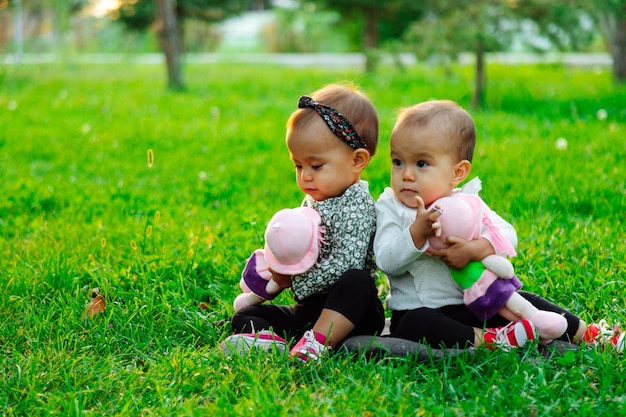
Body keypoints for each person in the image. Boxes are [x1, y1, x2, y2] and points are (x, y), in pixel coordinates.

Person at [374, 99, 622, 351]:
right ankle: (493, 340)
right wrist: (416, 233)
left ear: (457, 173)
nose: (406, 174)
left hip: (473, 302)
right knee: (414, 324)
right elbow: (385, 259)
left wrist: (474, 249)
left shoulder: (466, 203)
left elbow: (506, 234)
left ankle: (592, 335)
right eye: (398, 162)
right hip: (419, 309)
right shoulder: (390, 205)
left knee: (525, 301)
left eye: (422, 164)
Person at [221, 84, 386, 362]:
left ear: (357, 160)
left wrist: (292, 279)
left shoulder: (357, 205)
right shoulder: (314, 201)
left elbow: (345, 265)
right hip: (311, 309)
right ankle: (272, 343)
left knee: (357, 281)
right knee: (246, 314)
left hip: (352, 311)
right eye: (298, 166)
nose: (305, 177)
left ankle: (317, 344)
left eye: (316, 166)